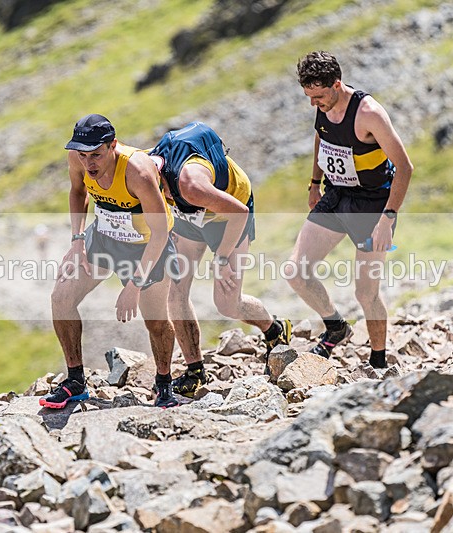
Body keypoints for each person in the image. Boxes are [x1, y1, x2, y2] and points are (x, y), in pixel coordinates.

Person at [285, 51, 414, 368]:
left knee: (365, 292)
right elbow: (321, 135)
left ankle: (378, 362)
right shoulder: (322, 107)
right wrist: (314, 183)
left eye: (319, 96)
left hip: (372, 204)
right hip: (336, 194)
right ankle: (335, 326)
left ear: (337, 84)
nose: (314, 103)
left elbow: (406, 167)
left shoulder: (368, 113)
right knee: (296, 273)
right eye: (309, 97)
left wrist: (387, 219)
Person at [43, 114, 180, 409]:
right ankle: (75, 380)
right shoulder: (77, 158)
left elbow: (160, 233)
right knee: (61, 298)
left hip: (146, 246)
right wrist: (78, 240)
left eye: (97, 155)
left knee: (156, 322)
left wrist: (134, 285)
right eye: (83, 155)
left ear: (113, 146)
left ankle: (164, 386)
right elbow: (78, 191)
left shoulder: (137, 172)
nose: (89, 163)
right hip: (104, 237)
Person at [149, 122, 292, 396]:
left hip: (230, 214)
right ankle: (195, 372)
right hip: (188, 216)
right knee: (176, 291)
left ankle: (273, 328)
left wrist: (223, 258)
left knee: (227, 303)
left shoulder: (190, 184)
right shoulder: (145, 172)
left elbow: (238, 212)